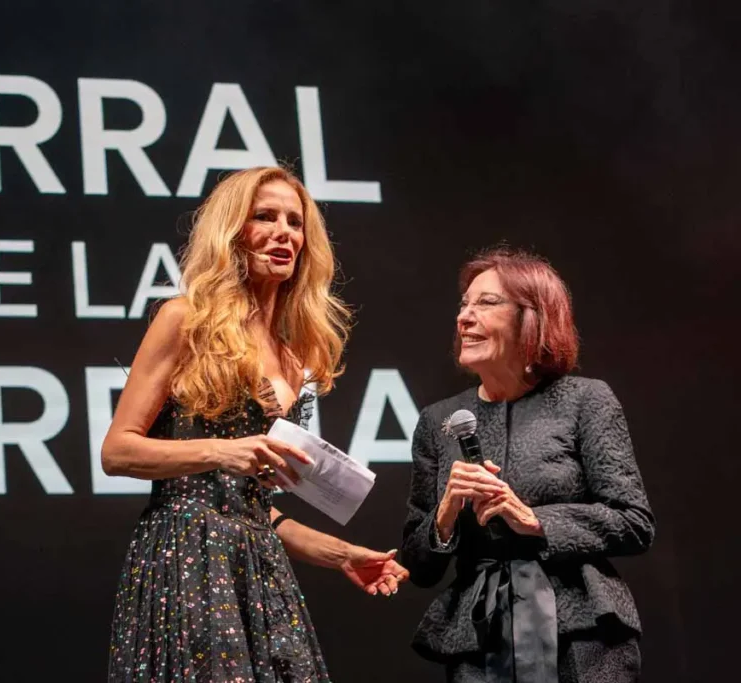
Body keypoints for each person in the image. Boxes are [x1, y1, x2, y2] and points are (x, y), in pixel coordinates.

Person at [101, 166, 409, 682]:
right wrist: (221, 451)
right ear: (232, 231)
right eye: (264, 216)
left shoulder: (295, 359)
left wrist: (340, 556)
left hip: (258, 565)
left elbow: (255, 510)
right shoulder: (185, 319)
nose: (284, 232)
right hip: (187, 554)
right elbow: (117, 452)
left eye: (295, 221)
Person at [401, 247, 655, 683]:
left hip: (581, 632)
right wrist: (444, 516)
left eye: (486, 303)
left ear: (531, 318)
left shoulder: (585, 400)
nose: (464, 317)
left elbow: (633, 523)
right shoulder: (436, 420)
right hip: (481, 641)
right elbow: (418, 565)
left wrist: (535, 520)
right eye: (464, 304)